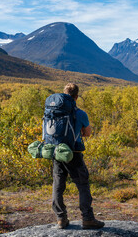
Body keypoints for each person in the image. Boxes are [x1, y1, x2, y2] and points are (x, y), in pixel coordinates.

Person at [52, 83, 104, 229]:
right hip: (73, 153)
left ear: (63, 94)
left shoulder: (54, 111)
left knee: (58, 185)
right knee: (82, 185)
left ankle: (61, 219)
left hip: (57, 152)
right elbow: (87, 133)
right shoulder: (80, 113)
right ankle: (87, 219)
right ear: (76, 97)